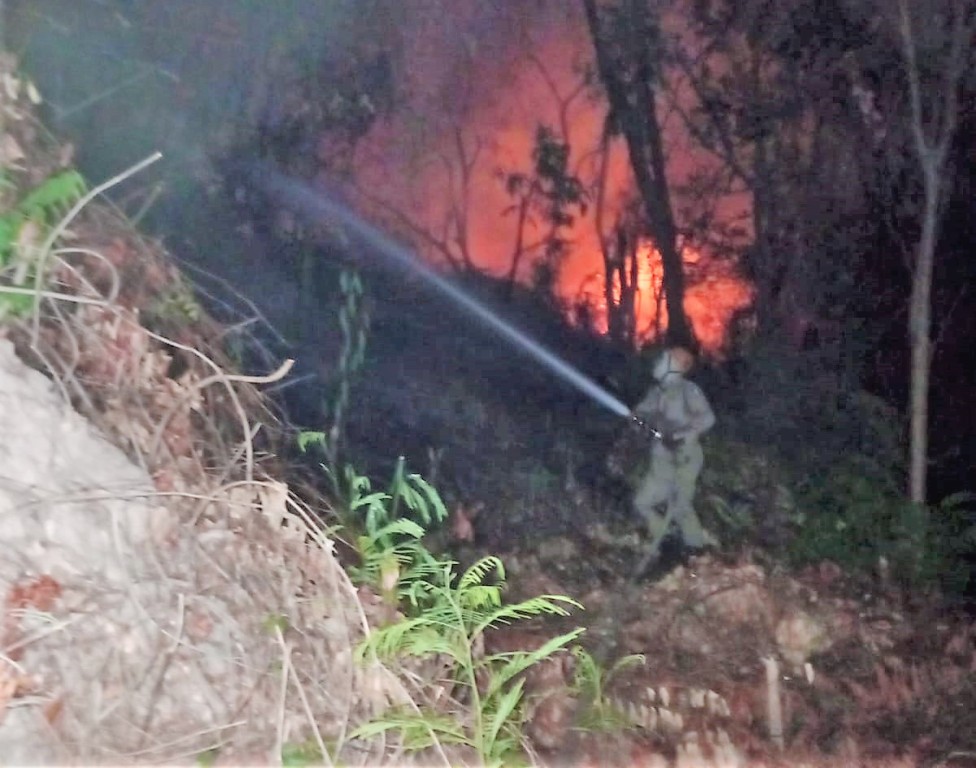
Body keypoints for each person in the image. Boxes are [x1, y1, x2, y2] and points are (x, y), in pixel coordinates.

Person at [630, 346, 717, 567]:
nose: (659, 362)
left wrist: (681, 436)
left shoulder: (689, 391)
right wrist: (639, 419)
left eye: (665, 359)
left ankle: (696, 550)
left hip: (685, 457)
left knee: (680, 506)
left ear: (676, 367)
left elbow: (708, 419)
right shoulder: (656, 392)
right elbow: (640, 414)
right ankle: (666, 539)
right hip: (661, 460)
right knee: (642, 502)